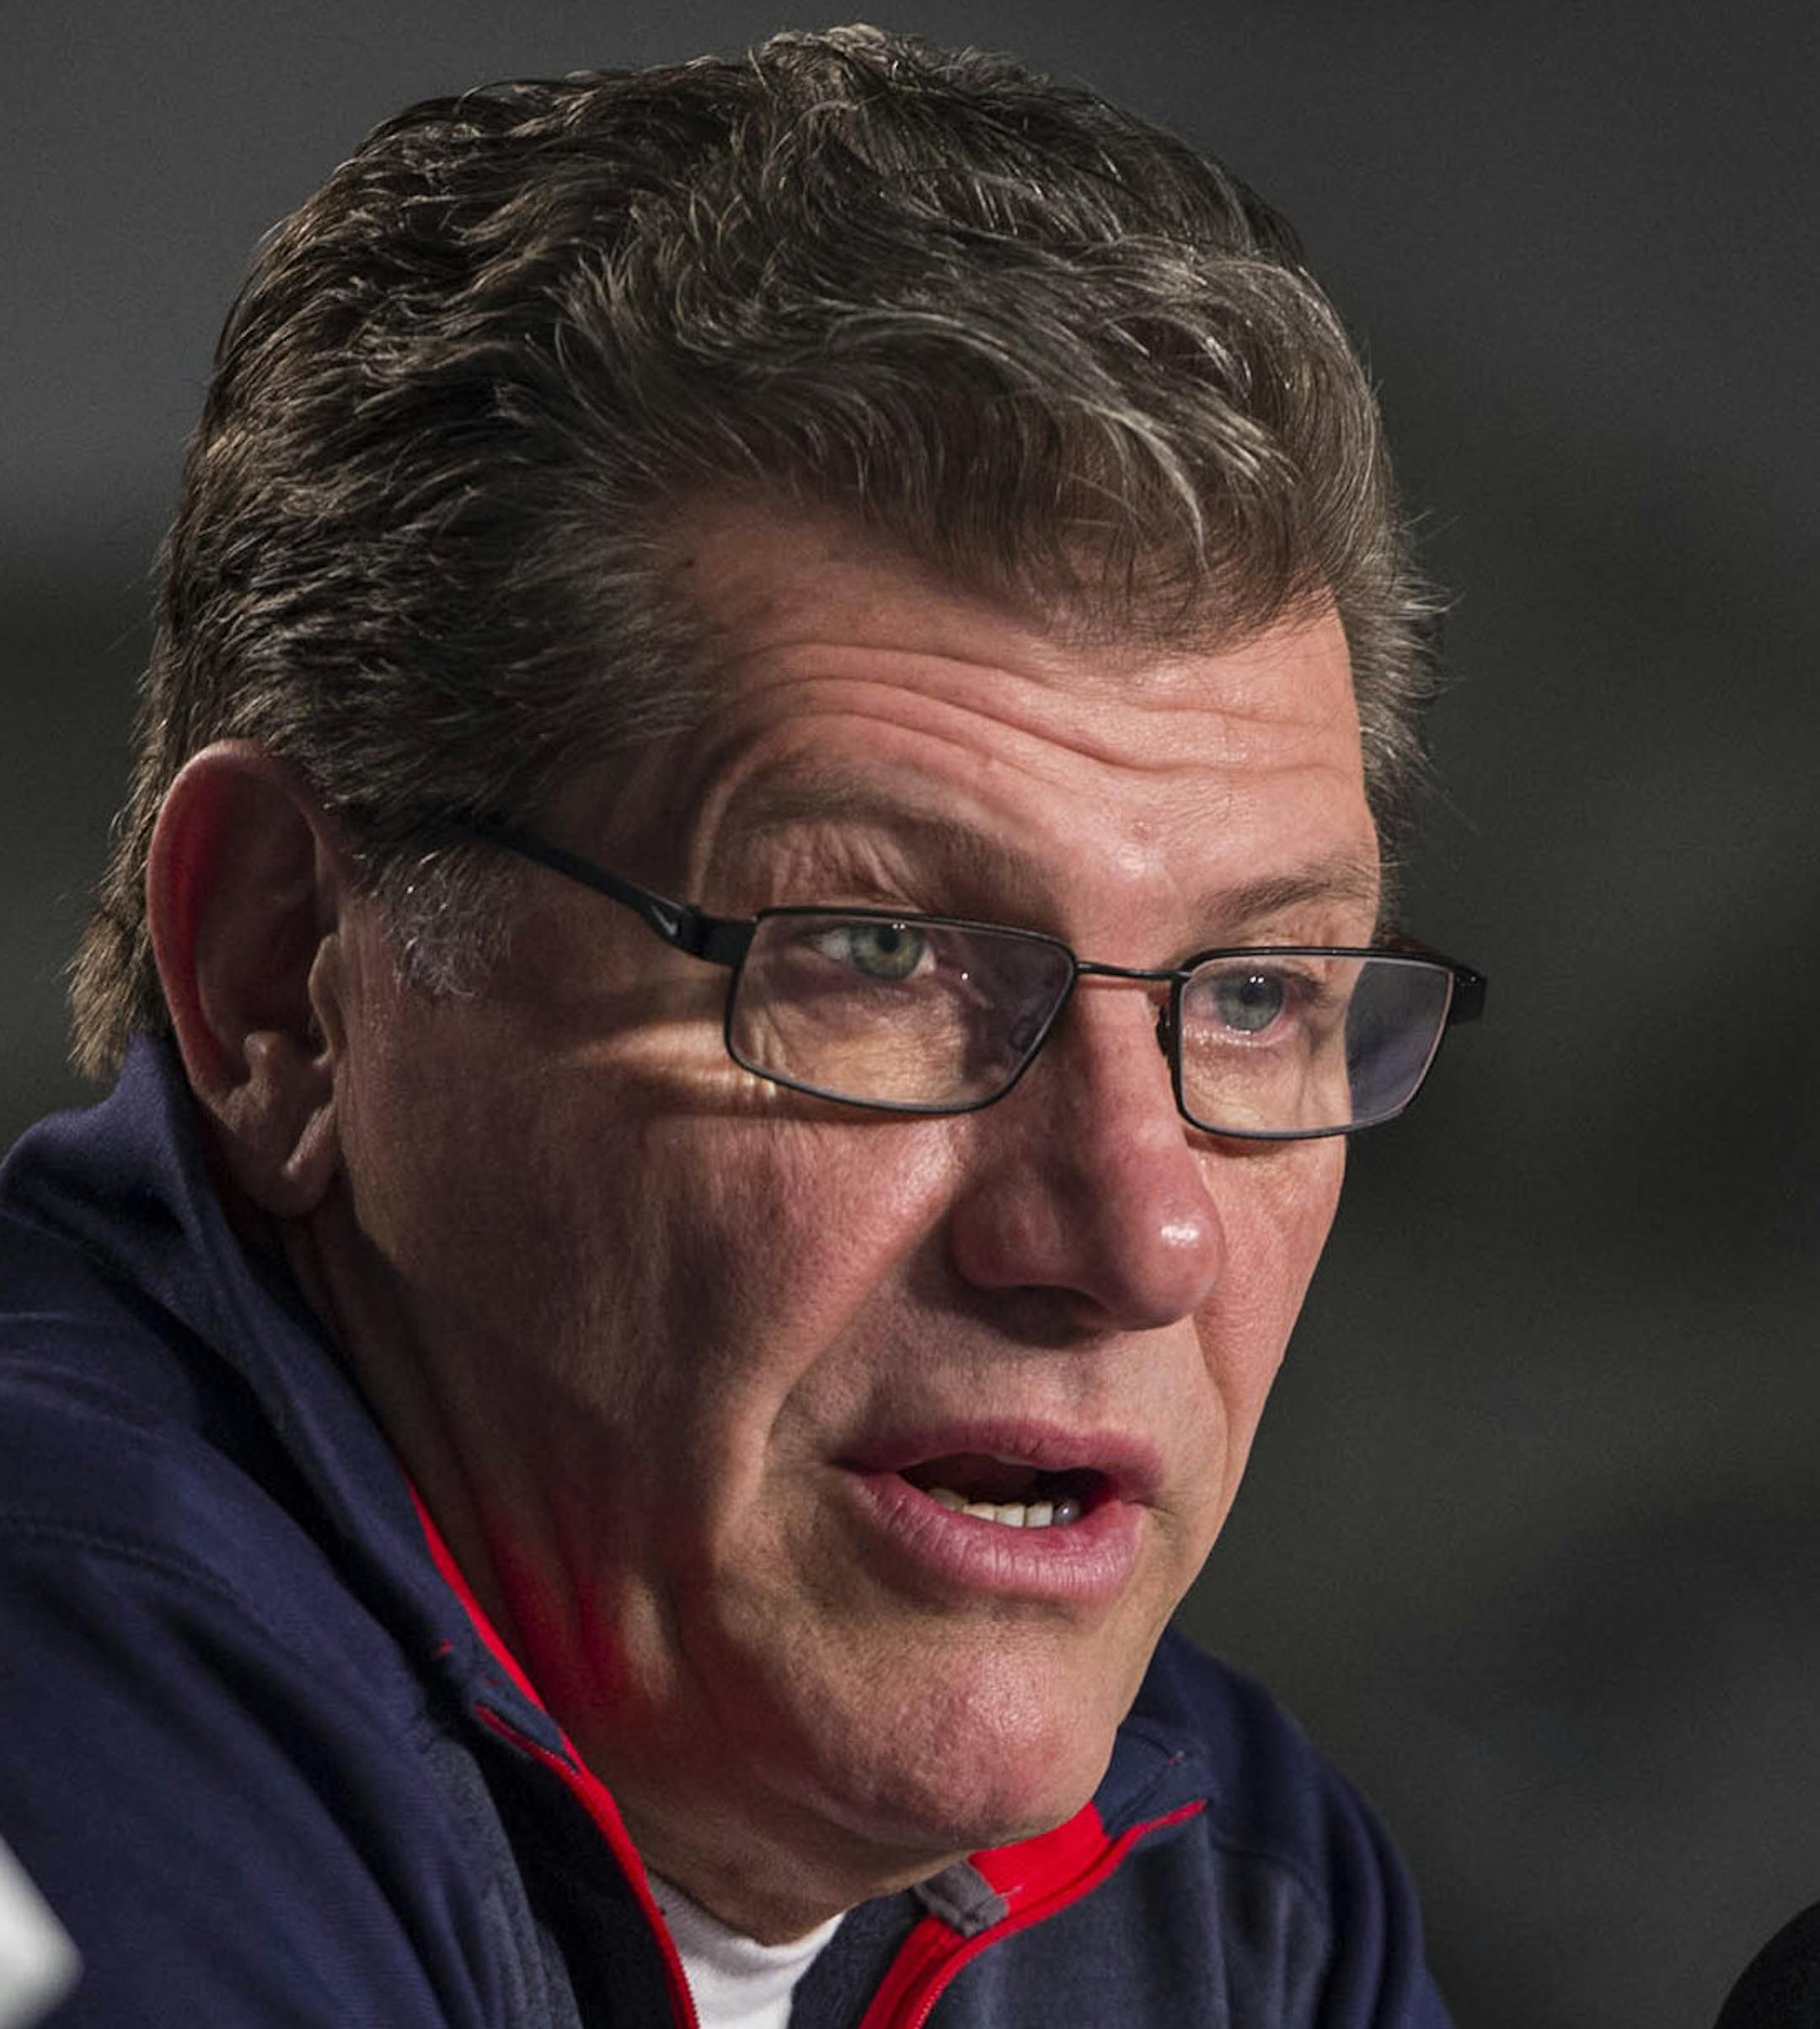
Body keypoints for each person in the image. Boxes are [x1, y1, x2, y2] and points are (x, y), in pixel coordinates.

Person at [0, 25, 1483, 2027]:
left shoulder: (1231, 1893)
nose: (1145, 1234)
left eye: (1252, 995)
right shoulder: (60, 1729)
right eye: (877, 952)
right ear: (284, 980)